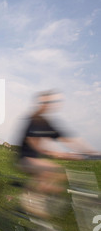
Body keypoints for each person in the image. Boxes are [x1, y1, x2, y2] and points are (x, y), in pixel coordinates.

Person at [16, 90, 95, 219]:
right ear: (40, 104)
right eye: (46, 102)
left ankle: (32, 199)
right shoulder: (34, 120)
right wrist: (56, 153)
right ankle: (31, 205)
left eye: (51, 102)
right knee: (52, 170)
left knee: (58, 178)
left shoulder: (47, 122)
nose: (49, 105)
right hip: (24, 159)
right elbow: (34, 142)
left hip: (34, 160)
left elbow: (67, 139)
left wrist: (89, 151)